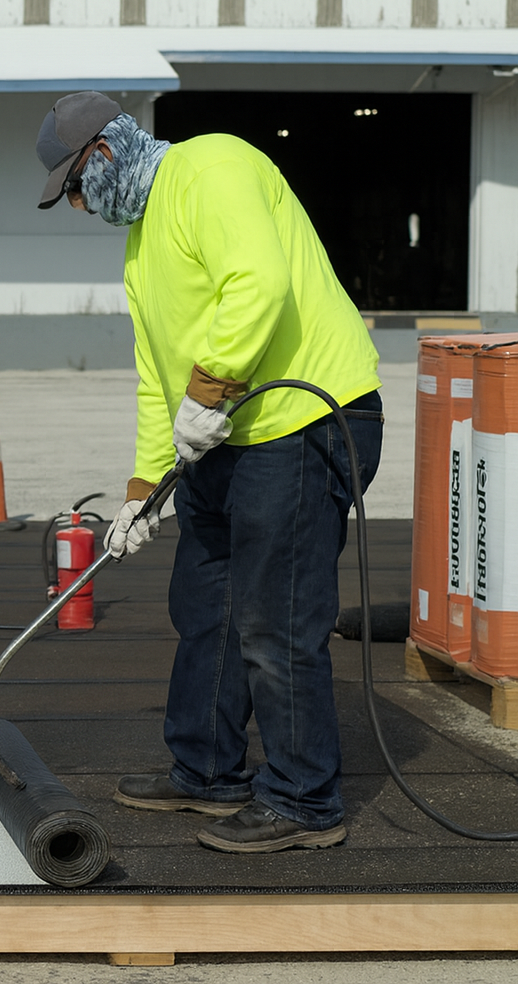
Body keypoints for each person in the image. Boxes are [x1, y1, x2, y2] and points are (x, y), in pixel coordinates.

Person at [35, 92, 383, 854]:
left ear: (102, 156)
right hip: (229, 434)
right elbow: (153, 377)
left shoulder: (211, 165)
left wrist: (210, 384)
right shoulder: (139, 246)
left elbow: (257, 283)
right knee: (206, 605)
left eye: (73, 187)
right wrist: (140, 488)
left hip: (307, 422)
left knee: (274, 615)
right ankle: (207, 771)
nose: (77, 206)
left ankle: (303, 799)